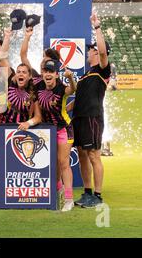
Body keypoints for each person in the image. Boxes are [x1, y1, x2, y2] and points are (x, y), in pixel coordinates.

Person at [72, 13, 112, 208]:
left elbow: (104, 53)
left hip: (92, 117)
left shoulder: (102, 70)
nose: (88, 52)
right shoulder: (85, 75)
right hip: (79, 118)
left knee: (94, 155)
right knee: (81, 154)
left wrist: (97, 27)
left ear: (97, 53)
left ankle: (97, 195)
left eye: (91, 50)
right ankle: (87, 192)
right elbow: (77, 100)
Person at [36, 59, 77, 212]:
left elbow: (72, 90)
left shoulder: (61, 88)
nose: (48, 74)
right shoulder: (38, 86)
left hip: (64, 129)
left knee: (63, 162)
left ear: (56, 75)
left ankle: (69, 199)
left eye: (51, 72)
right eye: (45, 71)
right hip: (48, 131)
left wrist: (71, 78)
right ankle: (58, 193)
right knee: (53, 164)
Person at [0, 27, 42, 128]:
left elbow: (38, 117)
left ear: (29, 76)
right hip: (2, 128)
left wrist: (28, 123)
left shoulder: (34, 90)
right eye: (18, 72)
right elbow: (2, 58)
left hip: (22, 129)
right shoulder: (12, 81)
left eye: (24, 72)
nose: (20, 74)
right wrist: (7, 37)